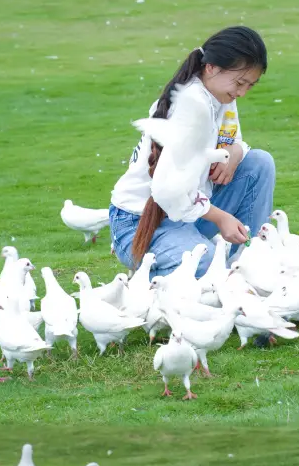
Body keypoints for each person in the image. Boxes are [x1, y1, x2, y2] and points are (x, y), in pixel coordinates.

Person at [109, 26, 275, 278]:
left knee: (259, 163)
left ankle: (246, 263)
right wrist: (220, 218)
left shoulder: (221, 97)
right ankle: (146, 281)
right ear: (211, 67)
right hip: (139, 224)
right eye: (240, 82)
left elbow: (234, 140)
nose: (241, 92)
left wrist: (234, 153)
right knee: (205, 261)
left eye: (249, 86)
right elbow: (169, 192)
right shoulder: (189, 108)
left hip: (187, 213)